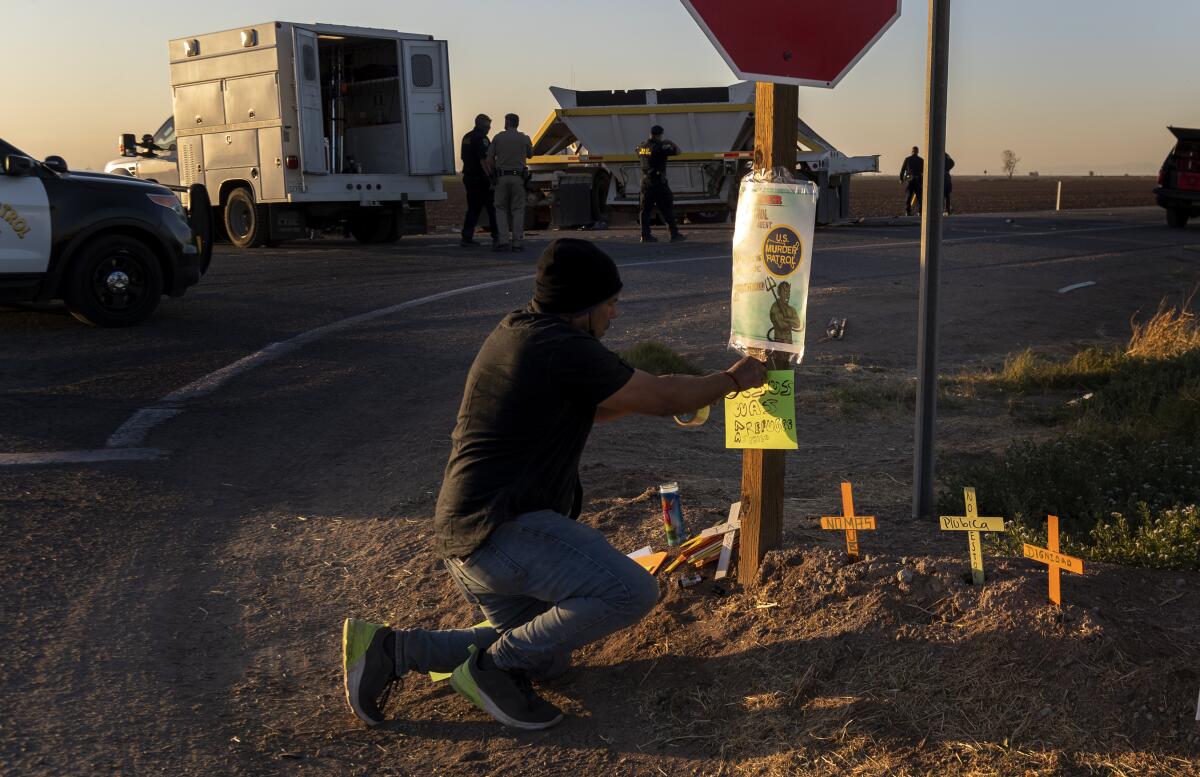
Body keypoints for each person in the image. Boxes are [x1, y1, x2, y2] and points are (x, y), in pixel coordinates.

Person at [342, 238, 768, 731]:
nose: (614, 312)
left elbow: (611, 405)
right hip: (501, 532)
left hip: (469, 541)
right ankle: (493, 671)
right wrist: (731, 379)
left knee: (546, 658)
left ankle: (394, 650)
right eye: (610, 302)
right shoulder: (561, 347)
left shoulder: (523, 332)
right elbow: (660, 394)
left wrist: (666, 394)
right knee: (632, 592)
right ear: (582, 307)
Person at [486, 114, 533, 252]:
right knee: (517, 210)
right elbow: (530, 154)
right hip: (518, 178)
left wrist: (492, 173)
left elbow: (489, 159)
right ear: (517, 123)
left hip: (501, 178)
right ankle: (517, 242)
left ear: (507, 122)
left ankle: (503, 241)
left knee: (500, 209)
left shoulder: (498, 137)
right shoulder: (524, 138)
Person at [637, 125, 685, 244]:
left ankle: (645, 236)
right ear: (659, 135)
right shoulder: (660, 147)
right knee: (667, 208)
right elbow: (678, 152)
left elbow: (640, 153)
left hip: (645, 182)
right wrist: (671, 143)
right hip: (658, 183)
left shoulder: (642, 146)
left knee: (645, 210)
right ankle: (674, 235)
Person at [460, 114, 499, 248]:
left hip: (469, 178)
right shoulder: (482, 139)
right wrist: (491, 178)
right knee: (492, 208)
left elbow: (464, 158)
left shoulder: (467, 137)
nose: (489, 129)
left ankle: (466, 237)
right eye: (487, 126)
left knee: (473, 209)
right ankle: (497, 237)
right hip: (481, 179)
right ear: (483, 126)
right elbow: (484, 160)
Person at [900, 146, 924, 217]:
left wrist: (901, 179)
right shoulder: (921, 160)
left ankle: (908, 212)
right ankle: (920, 212)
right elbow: (925, 171)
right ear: (917, 152)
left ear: (912, 151)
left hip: (910, 180)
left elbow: (902, 170)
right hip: (918, 180)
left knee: (909, 196)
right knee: (919, 197)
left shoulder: (907, 159)